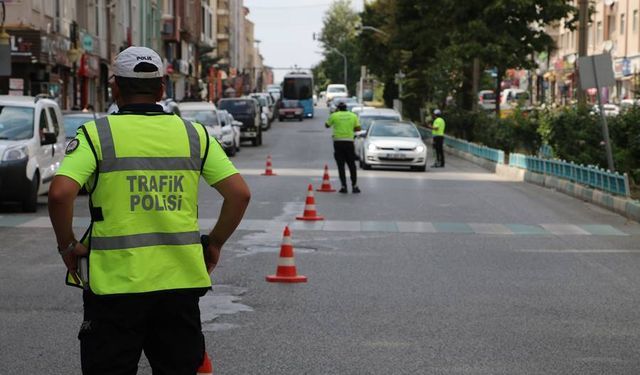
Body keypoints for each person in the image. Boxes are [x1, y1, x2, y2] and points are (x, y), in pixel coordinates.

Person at [48, 46, 251, 375]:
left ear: (114, 87)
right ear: (162, 88)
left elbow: (59, 194)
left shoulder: (97, 136)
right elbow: (239, 194)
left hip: (115, 290)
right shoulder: (194, 135)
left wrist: (67, 245)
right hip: (179, 287)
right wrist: (214, 242)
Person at [325, 101, 361, 193]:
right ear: (346, 108)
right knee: (352, 165)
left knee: (341, 166)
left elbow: (327, 125)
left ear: (338, 108)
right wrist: (349, 128)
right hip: (349, 143)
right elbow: (358, 128)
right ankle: (354, 186)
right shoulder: (353, 115)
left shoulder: (334, 115)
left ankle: (344, 186)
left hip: (338, 143)